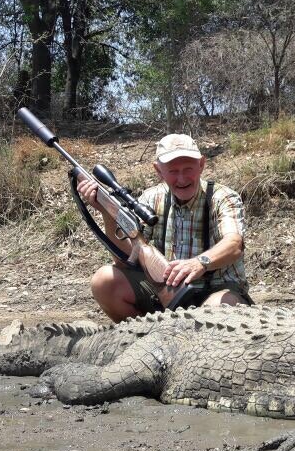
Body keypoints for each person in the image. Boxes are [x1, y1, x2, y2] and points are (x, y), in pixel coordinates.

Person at [77, 133, 251, 321]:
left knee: (220, 307)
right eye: (173, 171)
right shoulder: (150, 198)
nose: (182, 178)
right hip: (165, 290)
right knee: (104, 281)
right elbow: (126, 259)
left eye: (188, 168)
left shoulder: (223, 197)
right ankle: (142, 338)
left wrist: (200, 263)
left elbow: (234, 244)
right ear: (158, 171)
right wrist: (107, 214)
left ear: (201, 164)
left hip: (216, 290)